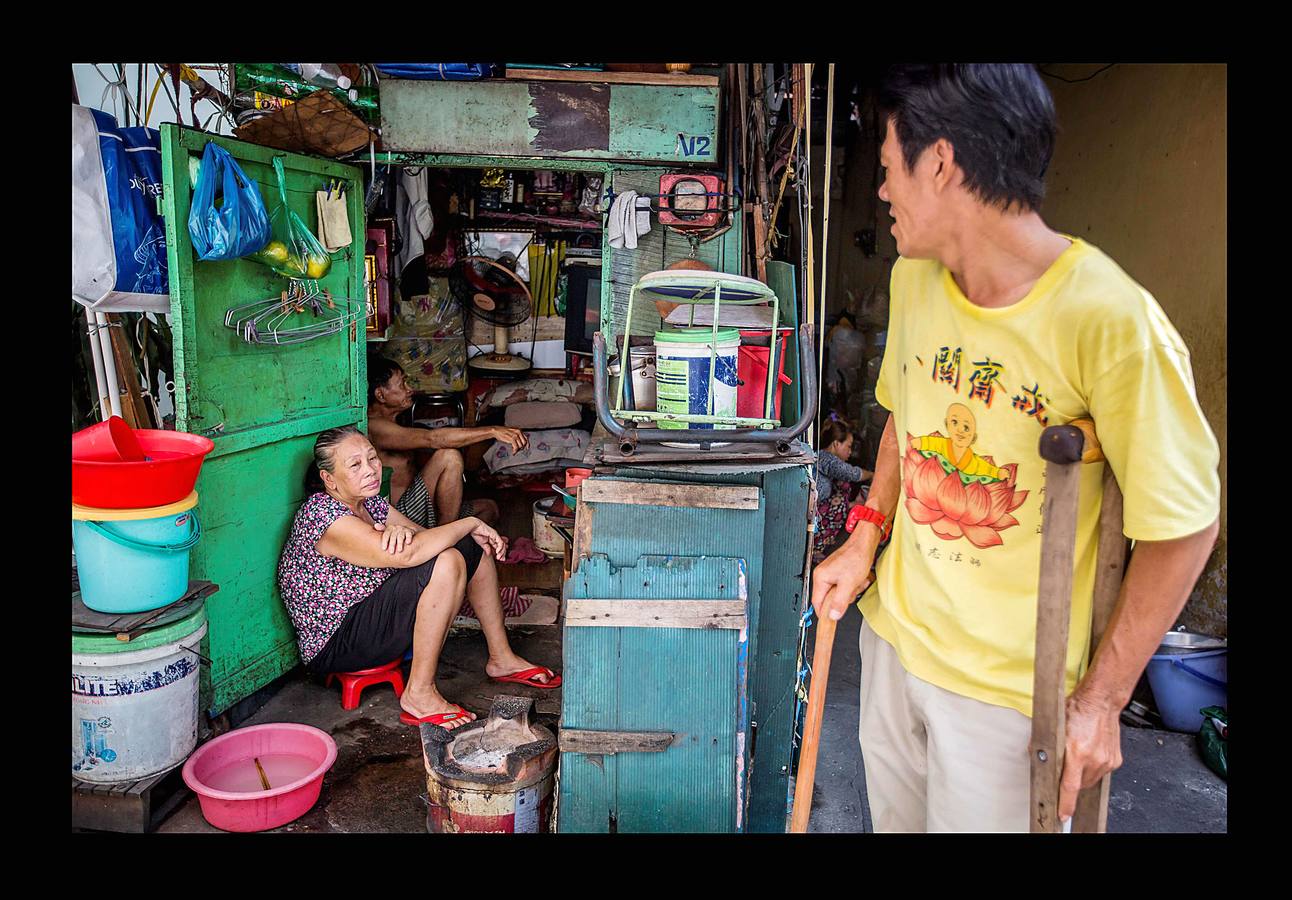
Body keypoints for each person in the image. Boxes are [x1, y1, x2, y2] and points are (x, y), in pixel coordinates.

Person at [810, 64, 1220, 833]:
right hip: (896, 645)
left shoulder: (1109, 320)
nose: (883, 189)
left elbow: (1186, 525)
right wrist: (867, 533)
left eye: (891, 165)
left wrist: (1101, 703)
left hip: (1010, 700)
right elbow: (903, 412)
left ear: (939, 164)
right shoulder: (914, 278)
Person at [277, 426, 560, 733]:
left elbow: (425, 538)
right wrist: (470, 521)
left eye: (372, 458)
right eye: (355, 464)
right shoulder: (323, 516)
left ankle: (501, 657)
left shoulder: (368, 502)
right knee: (448, 559)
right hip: (338, 642)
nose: (371, 470)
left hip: (372, 616)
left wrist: (408, 532)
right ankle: (419, 694)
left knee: (469, 546)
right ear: (329, 479)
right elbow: (410, 556)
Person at [366, 355, 528, 529]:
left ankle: (444, 535)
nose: (410, 389)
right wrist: (492, 431)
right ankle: (445, 541)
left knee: (488, 509)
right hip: (400, 517)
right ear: (380, 395)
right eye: (402, 384)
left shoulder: (396, 420)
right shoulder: (376, 427)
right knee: (449, 456)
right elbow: (433, 438)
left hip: (422, 507)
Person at [814, 414, 873, 563]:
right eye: (848, 446)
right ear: (836, 444)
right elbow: (853, 473)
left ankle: (817, 546)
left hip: (815, 510)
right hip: (810, 513)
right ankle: (815, 546)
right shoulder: (826, 458)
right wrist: (876, 474)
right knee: (840, 497)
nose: (850, 452)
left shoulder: (824, 458)